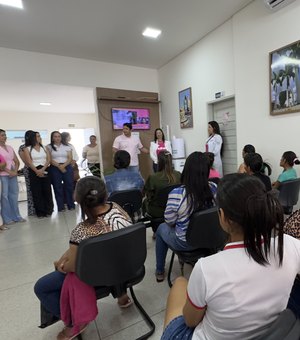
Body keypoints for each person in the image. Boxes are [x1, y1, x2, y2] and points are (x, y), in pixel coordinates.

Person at [161, 174, 300, 340]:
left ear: (223, 217)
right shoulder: (291, 245)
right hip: (270, 332)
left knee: (180, 283)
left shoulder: (206, 268)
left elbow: (190, 321)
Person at [34, 176, 133, 339]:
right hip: (125, 265)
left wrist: (61, 266)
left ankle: (74, 322)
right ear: (105, 195)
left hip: (97, 275)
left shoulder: (81, 231)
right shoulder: (117, 208)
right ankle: (121, 294)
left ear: (78, 199)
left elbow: (72, 267)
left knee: (41, 287)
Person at [155, 152, 217, 282]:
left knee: (161, 228)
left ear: (186, 170)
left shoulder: (177, 194)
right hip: (210, 240)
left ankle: (159, 270)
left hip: (186, 243)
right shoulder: (214, 188)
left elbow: (169, 221)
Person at [23, 131, 53, 218]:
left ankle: (48, 210)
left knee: (47, 190)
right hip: (34, 171)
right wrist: (37, 171)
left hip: (45, 169)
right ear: (33, 138)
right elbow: (29, 162)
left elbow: (48, 159)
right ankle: (40, 212)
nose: (39, 138)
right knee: (37, 192)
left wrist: (43, 169)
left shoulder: (44, 147)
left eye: (40, 136)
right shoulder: (27, 148)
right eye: (37, 136)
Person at [143, 151, 181, 219]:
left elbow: (148, 195)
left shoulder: (153, 178)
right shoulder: (178, 175)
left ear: (159, 162)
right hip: (176, 208)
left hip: (159, 212)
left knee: (144, 201)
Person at [0, 129, 26, 226]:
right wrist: (9, 171)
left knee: (14, 195)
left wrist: (15, 171)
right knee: (4, 197)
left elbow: (17, 161)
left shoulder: (10, 147)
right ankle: (6, 219)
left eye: (5, 135)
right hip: (3, 174)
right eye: (2, 135)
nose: (5, 137)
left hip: (12, 174)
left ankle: (17, 216)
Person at [47, 131, 75, 211]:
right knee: (57, 187)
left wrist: (63, 166)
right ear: (52, 138)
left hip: (67, 166)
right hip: (55, 167)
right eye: (55, 136)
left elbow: (70, 158)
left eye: (59, 136)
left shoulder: (67, 146)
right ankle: (60, 206)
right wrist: (59, 166)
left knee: (69, 186)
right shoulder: (49, 147)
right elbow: (49, 159)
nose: (57, 138)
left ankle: (71, 205)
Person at [18, 130, 36, 216]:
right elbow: (26, 161)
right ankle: (32, 210)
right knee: (30, 190)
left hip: (38, 168)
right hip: (29, 170)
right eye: (34, 136)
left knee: (38, 190)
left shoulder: (36, 146)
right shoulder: (23, 147)